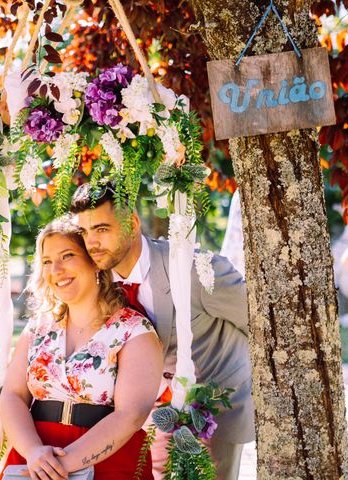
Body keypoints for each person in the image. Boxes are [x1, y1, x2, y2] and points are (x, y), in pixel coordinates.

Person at [70, 183, 255, 480]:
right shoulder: (95, 280)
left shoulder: (193, 269)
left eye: (102, 229)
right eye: (84, 232)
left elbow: (258, 321)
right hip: (151, 413)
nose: (91, 243)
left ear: (131, 223)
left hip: (212, 410)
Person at [0, 218, 163, 479]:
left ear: (93, 261)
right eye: (47, 262)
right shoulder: (38, 327)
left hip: (109, 460)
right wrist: (33, 453)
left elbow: (131, 414)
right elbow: (12, 395)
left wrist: (60, 467)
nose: (56, 270)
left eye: (67, 256)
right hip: (34, 458)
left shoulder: (134, 330)